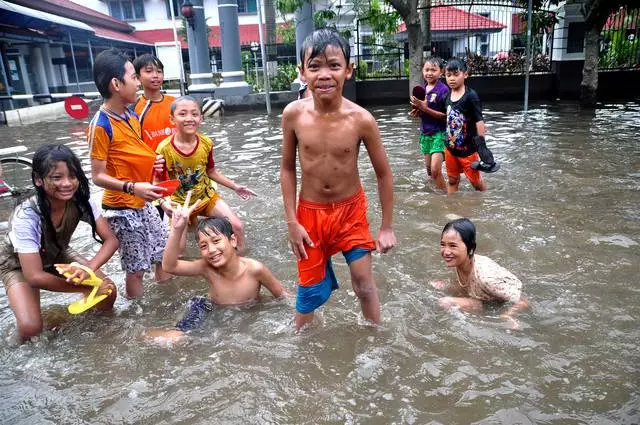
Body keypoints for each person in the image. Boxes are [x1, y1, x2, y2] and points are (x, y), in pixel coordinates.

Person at [280, 28, 396, 331]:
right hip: (309, 214)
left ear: (349, 70)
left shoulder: (361, 120)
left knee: (364, 284)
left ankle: (377, 339)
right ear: (301, 72)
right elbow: (287, 169)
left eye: (334, 65)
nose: (324, 74)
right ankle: (301, 346)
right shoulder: (293, 115)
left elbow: (383, 173)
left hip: (350, 212)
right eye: (315, 66)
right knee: (306, 293)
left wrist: (385, 227)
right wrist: (292, 221)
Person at [0, 144, 118, 341]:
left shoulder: (81, 201)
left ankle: (91, 334)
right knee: (30, 328)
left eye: (72, 176)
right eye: (57, 177)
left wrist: (88, 270)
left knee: (108, 292)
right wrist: (85, 286)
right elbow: (34, 276)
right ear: (39, 179)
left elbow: (111, 240)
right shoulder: (27, 215)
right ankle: (25, 338)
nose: (67, 184)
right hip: (17, 265)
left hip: (57, 252)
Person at [145, 192, 286, 341]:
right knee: (178, 339)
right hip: (208, 309)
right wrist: (177, 229)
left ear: (233, 240)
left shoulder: (255, 269)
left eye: (216, 241)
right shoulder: (207, 268)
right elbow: (169, 266)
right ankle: (144, 334)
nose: (211, 250)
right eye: (204, 246)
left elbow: (282, 296)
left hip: (243, 311)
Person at [87, 48, 169, 298]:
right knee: (136, 269)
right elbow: (97, 176)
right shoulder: (100, 125)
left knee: (162, 254)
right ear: (115, 83)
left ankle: (165, 302)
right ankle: (137, 318)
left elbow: (131, 155)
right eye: (133, 76)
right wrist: (132, 187)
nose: (138, 83)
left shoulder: (130, 115)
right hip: (122, 208)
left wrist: (152, 166)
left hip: (143, 201)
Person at [154, 95, 256, 252]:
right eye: (182, 114)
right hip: (181, 204)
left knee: (237, 226)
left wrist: (235, 187)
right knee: (179, 250)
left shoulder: (206, 143)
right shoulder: (164, 148)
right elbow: (158, 182)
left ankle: (241, 265)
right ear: (172, 119)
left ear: (201, 118)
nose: (189, 118)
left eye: (194, 114)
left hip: (206, 197)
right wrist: (164, 204)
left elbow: (211, 172)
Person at [433, 218, 528, 328]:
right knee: (437, 286)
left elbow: (523, 299)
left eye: (453, 246)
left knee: (446, 302)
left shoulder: (486, 278)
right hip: (482, 294)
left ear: (470, 248)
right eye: (443, 244)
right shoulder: (461, 261)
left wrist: (509, 315)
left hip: (492, 305)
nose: (446, 251)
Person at [443, 58, 499, 194]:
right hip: (450, 148)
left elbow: (479, 121)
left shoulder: (471, 96)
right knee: (452, 180)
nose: (452, 79)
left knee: (475, 183)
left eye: (456, 74)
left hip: (468, 150)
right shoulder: (448, 94)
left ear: (465, 74)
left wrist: (482, 148)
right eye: (448, 75)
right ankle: (451, 208)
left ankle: (486, 201)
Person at [409, 57, 449, 191]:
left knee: (435, 170)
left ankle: (447, 198)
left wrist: (424, 108)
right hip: (425, 134)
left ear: (441, 72)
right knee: (429, 172)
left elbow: (446, 116)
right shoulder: (423, 89)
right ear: (422, 71)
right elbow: (423, 112)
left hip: (439, 134)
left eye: (433, 70)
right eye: (426, 70)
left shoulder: (444, 90)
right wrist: (417, 111)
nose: (429, 73)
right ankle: (434, 196)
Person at [133, 53, 176, 152]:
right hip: (152, 164)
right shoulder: (134, 108)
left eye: (159, 71)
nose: (155, 75)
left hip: (178, 165)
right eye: (149, 71)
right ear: (138, 77)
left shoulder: (175, 103)